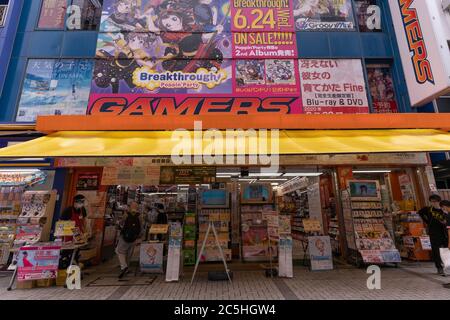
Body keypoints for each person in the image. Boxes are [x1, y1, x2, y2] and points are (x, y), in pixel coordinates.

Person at [418, 194, 448, 275]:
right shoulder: (428, 209)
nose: (433, 203)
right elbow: (420, 212)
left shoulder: (443, 210)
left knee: (446, 250)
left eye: (435, 201)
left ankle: (447, 265)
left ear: (439, 201)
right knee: (436, 250)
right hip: (434, 233)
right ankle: (439, 267)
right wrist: (426, 221)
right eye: (431, 202)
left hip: (445, 232)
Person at [115, 202, 142, 278]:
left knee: (119, 251)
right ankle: (126, 267)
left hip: (124, 237)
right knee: (129, 253)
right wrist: (139, 237)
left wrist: (117, 224)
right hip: (134, 238)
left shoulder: (126, 215)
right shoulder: (140, 216)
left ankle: (124, 267)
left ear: (130, 207)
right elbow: (141, 227)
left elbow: (121, 224)